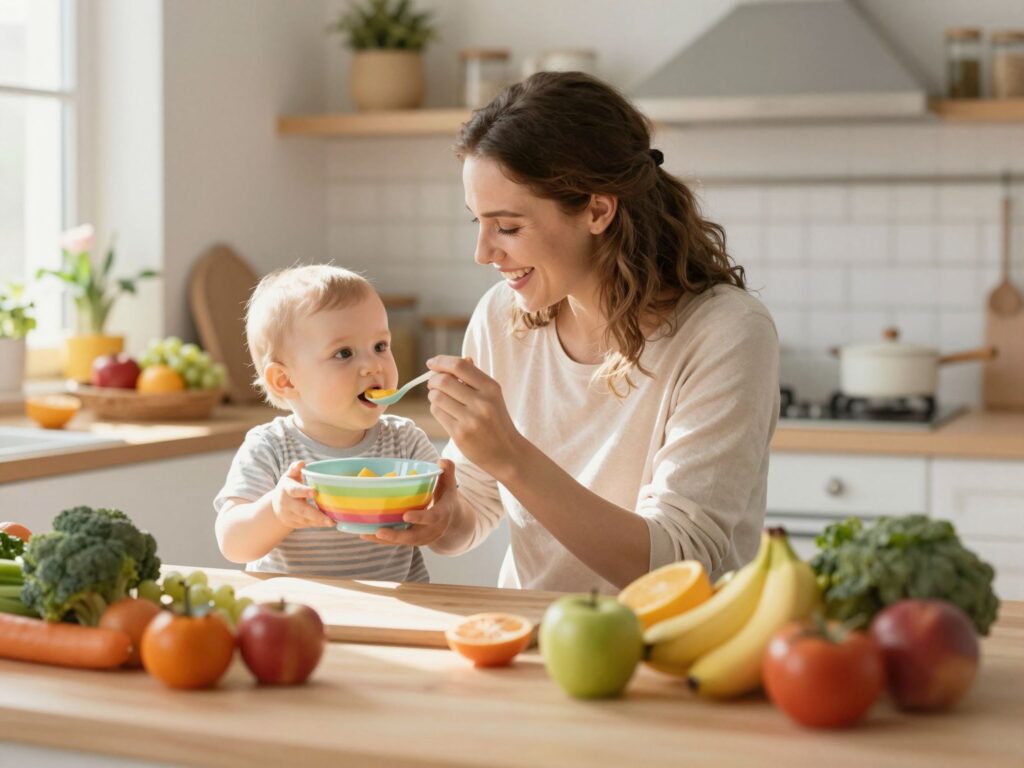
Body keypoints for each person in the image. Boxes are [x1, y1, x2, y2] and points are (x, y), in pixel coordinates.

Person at [363, 72, 779, 594]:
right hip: (532, 636)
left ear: (598, 210)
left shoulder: (725, 333)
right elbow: (476, 502)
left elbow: (679, 566)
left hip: (673, 650)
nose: (484, 253)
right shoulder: (500, 316)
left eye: (508, 227)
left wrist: (511, 455)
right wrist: (442, 519)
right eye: (478, 223)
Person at [213, 264, 455, 581]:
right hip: (294, 616)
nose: (373, 365)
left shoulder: (405, 441)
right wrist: (276, 511)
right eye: (344, 353)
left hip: (393, 613)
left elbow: (447, 520)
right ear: (284, 380)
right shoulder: (270, 447)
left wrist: (446, 509)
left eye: (380, 346)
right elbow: (233, 544)